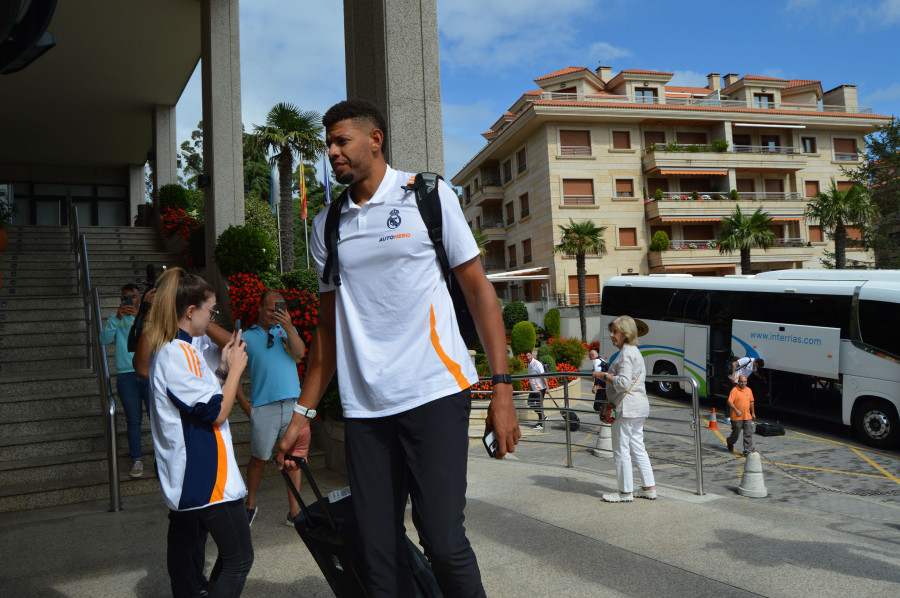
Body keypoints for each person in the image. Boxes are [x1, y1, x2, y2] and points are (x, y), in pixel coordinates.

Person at [276, 99, 519, 598]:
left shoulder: (426, 195)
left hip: (433, 392)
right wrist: (303, 413)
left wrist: (502, 389)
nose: (332, 152)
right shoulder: (327, 224)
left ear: (375, 139)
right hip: (367, 410)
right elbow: (327, 328)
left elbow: (479, 291)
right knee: (377, 552)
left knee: (444, 542)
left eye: (341, 141)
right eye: (328, 144)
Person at [145, 267, 253, 597]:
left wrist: (221, 369)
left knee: (236, 557)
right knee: (238, 560)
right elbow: (217, 413)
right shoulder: (176, 353)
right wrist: (235, 369)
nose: (213, 317)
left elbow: (204, 399)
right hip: (205, 477)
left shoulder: (184, 350)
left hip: (209, 474)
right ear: (191, 312)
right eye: (211, 310)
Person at [239, 290, 308, 528]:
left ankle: (295, 512)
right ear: (259, 308)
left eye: (278, 309)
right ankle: (250, 504)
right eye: (269, 309)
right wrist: (243, 403)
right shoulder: (247, 337)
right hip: (263, 406)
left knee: (292, 459)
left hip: (292, 404)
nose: (273, 314)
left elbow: (300, 354)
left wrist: (288, 327)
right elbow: (231, 371)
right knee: (259, 458)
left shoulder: (287, 332)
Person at [595, 315, 657, 503]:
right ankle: (648, 488)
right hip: (638, 407)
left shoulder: (627, 353)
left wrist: (603, 375)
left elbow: (623, 382)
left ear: (626, 333)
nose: (612, 335)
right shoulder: (634, 351)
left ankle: (625, 492)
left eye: (615, 332)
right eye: (611, 331)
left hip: (627, 408)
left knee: (621, 449)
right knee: (638, 447)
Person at [100, 283, 151, 478]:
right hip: (126, 375)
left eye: (133, 297)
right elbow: (104, 340)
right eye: (125, 297)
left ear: (139, 298)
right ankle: (136, 459)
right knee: (133, 420)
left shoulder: (146, 317)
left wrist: (139, 313)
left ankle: (163, 458)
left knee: (157, 416)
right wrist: (116, 318)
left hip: (147, 372)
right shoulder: (116, 318)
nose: (129, 300)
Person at [727, 375, 756, 455]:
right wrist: (736, 410)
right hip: (737, 417)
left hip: (747, 416)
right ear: (738, 382)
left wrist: (753, 412)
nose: (743, 383)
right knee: (736, 434)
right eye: (741, 382)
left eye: (745, 382)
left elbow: (751, 402)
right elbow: (729, 402)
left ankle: (747, 451)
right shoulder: (734, 390)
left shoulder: (749, 390)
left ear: (746, 382)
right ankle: (730, 442)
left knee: (748, 434)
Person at [525, 351, 548, 429]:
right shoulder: (529, 364)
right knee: (530, 402)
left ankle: (541, 424)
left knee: (538, 405)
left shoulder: (537, 364)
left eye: (529, 355)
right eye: (526, 356)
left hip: (540, 389)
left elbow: (543, 376)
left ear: (532, 355)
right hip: (534, 389)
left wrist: (547, 387)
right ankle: (543, 416)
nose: (528, 357)